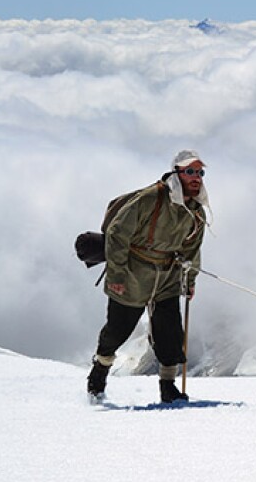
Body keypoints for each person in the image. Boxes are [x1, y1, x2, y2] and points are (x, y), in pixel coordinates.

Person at [86, 150, 210, 403]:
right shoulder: (150, 199)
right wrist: (117, 275)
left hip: (167, 277)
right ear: (177, 172)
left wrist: (189, 281)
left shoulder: (196, 212)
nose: (196, 177)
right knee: (118, 330)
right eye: (190, 171)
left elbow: (191, 250)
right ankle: (100, 369)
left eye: (199, 172)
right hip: (132, 274)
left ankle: (168, 387)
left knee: (171, 331)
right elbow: (118, 234)